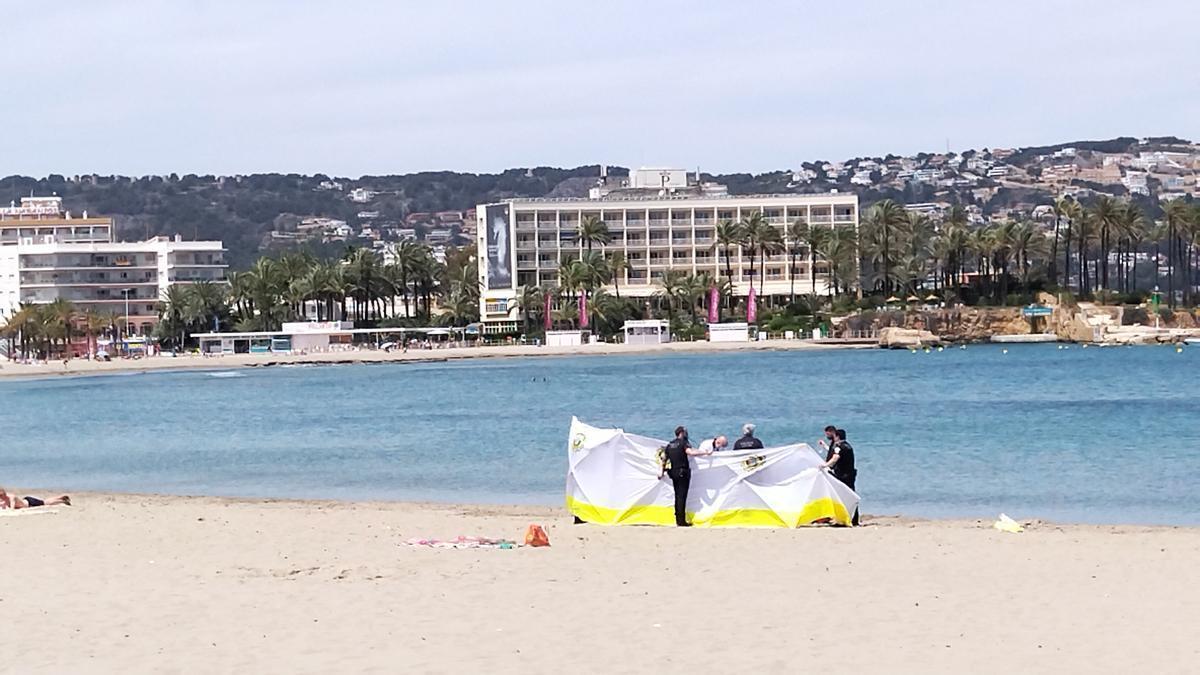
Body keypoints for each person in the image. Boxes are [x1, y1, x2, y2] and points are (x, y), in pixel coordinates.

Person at [660, 426, 714, 527]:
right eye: (685, 432)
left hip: (673, 472)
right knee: (682, 497)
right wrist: (705, 452)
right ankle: (681, 521)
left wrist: (661, 472)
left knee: (677, 496)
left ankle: (678, 519)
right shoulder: (683, 443)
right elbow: (691, 452)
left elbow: (663, 459)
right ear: (681, 433)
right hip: (682, 472)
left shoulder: (670, 444)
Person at [820, 429, 859, 526]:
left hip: (843, 475)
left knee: (841, 495)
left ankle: (844, 518)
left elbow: (835, 457)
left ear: (837, 436)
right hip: (850, 475)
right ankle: (853, 519)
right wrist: (825, 446)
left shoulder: (839, 446)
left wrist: (825, 465)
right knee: (850, 494)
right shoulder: (848, 446)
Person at [0, 487, 71, 510]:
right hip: (26, 500)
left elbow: (12, 508)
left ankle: (62, 500)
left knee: (45, 503)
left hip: (30, 503)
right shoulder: (4, 498)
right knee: (44, 501)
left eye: (1, 496)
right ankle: (60, 497)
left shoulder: (11, 497)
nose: (1, 498)